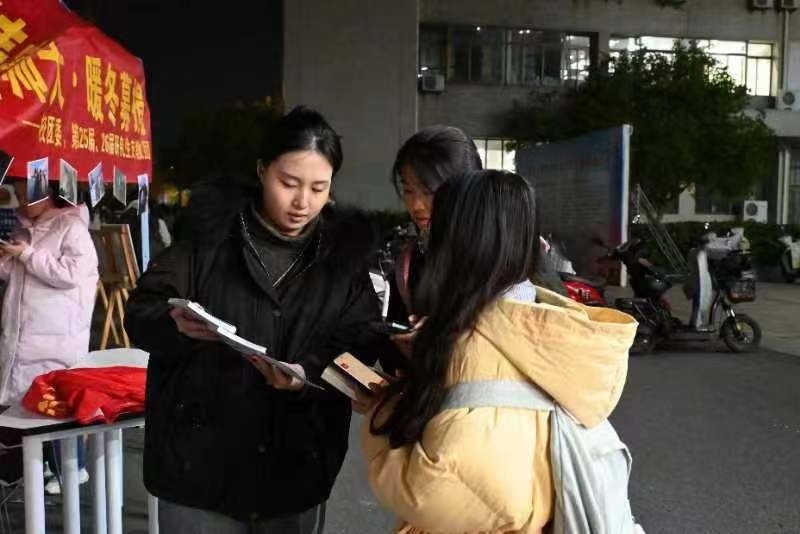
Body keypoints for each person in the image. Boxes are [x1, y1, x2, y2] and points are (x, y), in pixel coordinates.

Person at [124, 106, 383, 533]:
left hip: (295, 467)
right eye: (289, 183)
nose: (302, 202)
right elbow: (140, 311)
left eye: (318, 188)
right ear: (262, 171)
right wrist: (174, 323)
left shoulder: (343, 257)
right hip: (199, 468)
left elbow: (361, 341)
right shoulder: (207, 237)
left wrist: (307, 374)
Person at [362, 170, 637, 533]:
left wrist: (382, 412)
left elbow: (440, 495)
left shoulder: (474, 347)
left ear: (456, 243)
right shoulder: (544, 322)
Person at [0, 176, 98, 492]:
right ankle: (38, 464)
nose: (20, 200)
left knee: (55, 404)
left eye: (24, 193)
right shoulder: (24, 228)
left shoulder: (72, 227)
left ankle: (72, 468)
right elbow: (16, 274)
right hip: (26, 331)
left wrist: (26, 255)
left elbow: (70, 274)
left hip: (56, 333)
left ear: (46, 193)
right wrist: (7, 259)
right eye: (17, 193)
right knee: (28, 402)